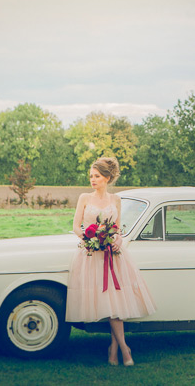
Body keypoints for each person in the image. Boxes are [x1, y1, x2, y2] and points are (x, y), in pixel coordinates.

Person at [66, 157, 156, 366]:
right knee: (108, 304)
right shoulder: (84, 198)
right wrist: (90, 239)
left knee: (115, 302)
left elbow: (117, 228)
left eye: (96, 176)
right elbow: (77, 226)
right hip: (91, 256)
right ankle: (125, 349)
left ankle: (115, 350)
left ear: (106, 178)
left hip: (114, 256)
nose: (92, 179)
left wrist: (117, 239)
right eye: (91, 176)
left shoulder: (116, 200)